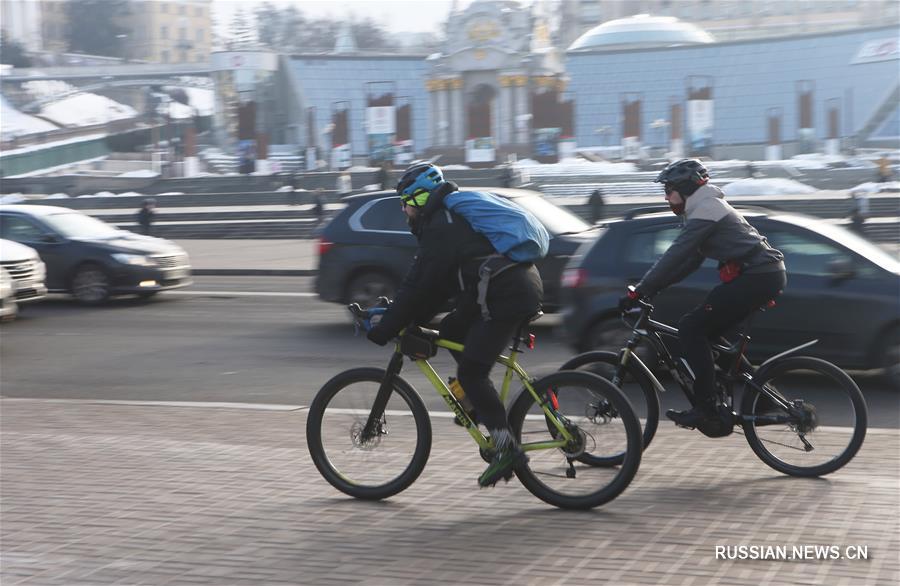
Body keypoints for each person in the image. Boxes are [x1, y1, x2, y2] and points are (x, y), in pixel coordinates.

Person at [366, 162, 543, 487]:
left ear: (418, 199)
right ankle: (477, 406)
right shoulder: (449, 220)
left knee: (472, 372)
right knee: (450, 331)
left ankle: (506, 449)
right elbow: (439, 288)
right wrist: (406, 319)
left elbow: (419, 284)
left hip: (505, 295)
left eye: (405, 202)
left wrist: (384, 327)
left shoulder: (442, 226)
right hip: (507, 288)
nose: (405, 211)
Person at [618, 159, 786, 431]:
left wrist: (640, 290)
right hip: (762, 275)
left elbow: (676, 254)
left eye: (669, 190)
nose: (666, 197)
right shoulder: (704, 209)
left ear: (686, 189)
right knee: (709, 335)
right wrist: (652, 289)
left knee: (690, 328)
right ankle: (764, 398)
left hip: (758, 276)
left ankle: (706, 407)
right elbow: (689, 262)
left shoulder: (707, 210)